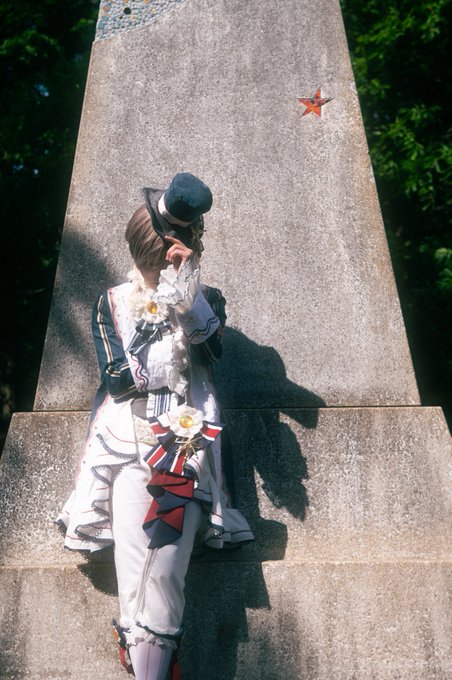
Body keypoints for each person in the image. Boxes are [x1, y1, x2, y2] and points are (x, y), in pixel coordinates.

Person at [57, 173, 254, 679]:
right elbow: (118, 380)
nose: (168, 259)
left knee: (165, 571)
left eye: (177, 250)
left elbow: (212, 351)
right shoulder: (112, 302)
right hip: (127, 444)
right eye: (162, 251)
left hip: (188, 445)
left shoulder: (205, 299)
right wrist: (158, 353)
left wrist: (185, 297)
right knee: (133, 573)